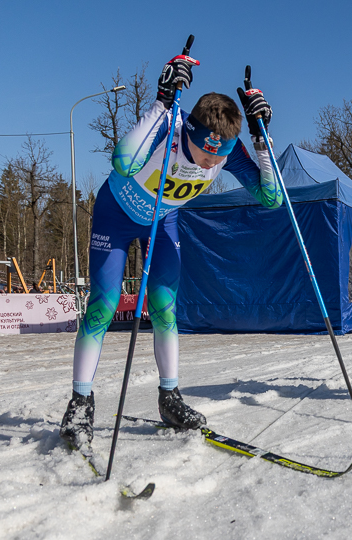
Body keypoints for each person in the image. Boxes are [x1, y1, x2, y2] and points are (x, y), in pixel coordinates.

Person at [59, 50, 283, 448]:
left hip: (163, 221)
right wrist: (163, 103)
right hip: (117, 215)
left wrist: (260, 135)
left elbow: (272, 198)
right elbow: (123, 162)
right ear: (191, 133)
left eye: (221, 155)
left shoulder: (226, 151)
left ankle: (169, 397)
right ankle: (80, 402)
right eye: (206, 151)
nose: (211, 162)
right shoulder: (171, 128)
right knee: (103, 306)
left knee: (164, 308)